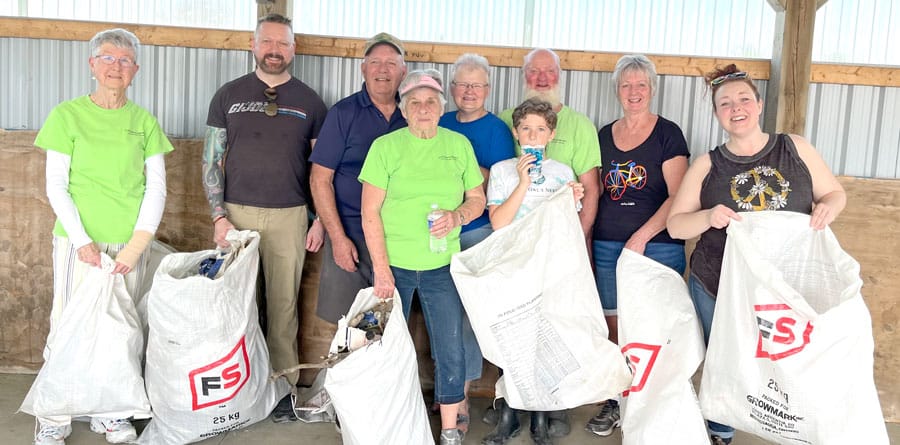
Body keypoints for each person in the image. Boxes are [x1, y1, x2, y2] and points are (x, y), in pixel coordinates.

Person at [666, 64, 846, 445]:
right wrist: (707, 216)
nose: (736, 108)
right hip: (718, 286)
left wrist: (830, 207)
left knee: (790, 361)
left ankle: (793, 429)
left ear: (759, 104)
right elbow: (676, 226)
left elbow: (834, 193)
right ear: (717, 113)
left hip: (783, 288)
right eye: (725, 103)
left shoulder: (794, 148)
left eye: (744, 98)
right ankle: (721, 431)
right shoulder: (707, 164)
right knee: (726, 362)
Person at [33, 28, 174, 445]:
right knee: (67, 324)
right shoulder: (67, 115)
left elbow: (157, 189)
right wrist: (82, 242)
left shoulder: (143, 122)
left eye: (125, 60)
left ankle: (110, 413)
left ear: (136, 70)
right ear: (92, 65)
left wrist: (135, 247)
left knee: (121, 329)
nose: (116, 66)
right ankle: (55, 413)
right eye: (108, 58)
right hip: (79, 244)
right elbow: (56, 184)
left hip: (129, 246)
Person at [202, 13, 327, 423]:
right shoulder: (228, 95)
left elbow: (320, 170)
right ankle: (236, 388)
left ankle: (283, 390)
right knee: (236, 305)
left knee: (283, 307)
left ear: (293, 50)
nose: (275, 51)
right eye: (267, 42)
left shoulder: (310, 101)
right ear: (253, 46)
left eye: (283, 44)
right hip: (236, 214)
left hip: (291, 216)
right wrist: (219, 216)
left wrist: (318, 218)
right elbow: (212, 160)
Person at [359, 69, 486, 445]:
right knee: (380, 344)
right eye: (415, 102)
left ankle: (449, 429)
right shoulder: (386, 147)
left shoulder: (458, 144)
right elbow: (370, 214)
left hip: (442, 266)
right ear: (404, 109)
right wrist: (381, 270)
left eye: (430, 101)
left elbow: (477, 200)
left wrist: (457, 216)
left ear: (440, 107)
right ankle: (385, 421)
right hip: (393, 265)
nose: (423, 108)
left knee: (450, 347)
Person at [585, 54, 690, 437]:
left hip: (658, 246)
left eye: (641, 85)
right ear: (617, 90)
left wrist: (641, 237)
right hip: (607, 245)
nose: (634, 92)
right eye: (627, 85)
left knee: (655, 328)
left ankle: (655, 405)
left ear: (652, 90)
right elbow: (596, 191)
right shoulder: (603, 134)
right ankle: (617, 400)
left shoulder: (668, 134)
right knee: (614, 327)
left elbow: (678, 196)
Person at [483, 98, 585, 445]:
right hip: (511, 265)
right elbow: (498, 223)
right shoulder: (501, 170)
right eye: (526, 128)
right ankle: (509, 415)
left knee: (543, 340)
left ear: (551, 134)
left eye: (540, 129)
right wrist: (523, 181)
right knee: (510, 340)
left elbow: (566, 225)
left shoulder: (562, 173)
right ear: (516, 132)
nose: (533, 134)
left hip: (548, 266)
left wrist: (573, 199)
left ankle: (540, 418)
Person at [436, 52, 516, 433]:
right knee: (441, 312)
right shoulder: (440, 119)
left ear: (488, 90)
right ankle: (446, 390)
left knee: (467, 316)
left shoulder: (497, 130)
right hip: (435, 229)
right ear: (452, 89)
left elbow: (496, 180)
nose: (469, 91)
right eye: (462, 84)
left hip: (476, 232)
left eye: (476, 85)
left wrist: (459, 169)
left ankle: (463, 393)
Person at [309, 32, 407, 324]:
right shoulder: (344, 113)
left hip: (399, 240)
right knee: (347, 324)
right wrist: (337, 238)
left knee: (389, 325)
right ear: (363, 69)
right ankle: (342, 371)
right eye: (375, 62)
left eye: (391, 63)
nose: (383, 69)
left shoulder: (413, 114)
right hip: (350, 233)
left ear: (403, 71)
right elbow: (319, 180)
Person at [498, 48, 600, 248]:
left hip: (559, 237)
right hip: (514, 239)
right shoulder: (504, 119)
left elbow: (591, 189)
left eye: (549, 71)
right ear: (524, 75)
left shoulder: (581, 124)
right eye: (534, 71)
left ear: (559, 76)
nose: (542, 78)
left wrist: (577, 238)